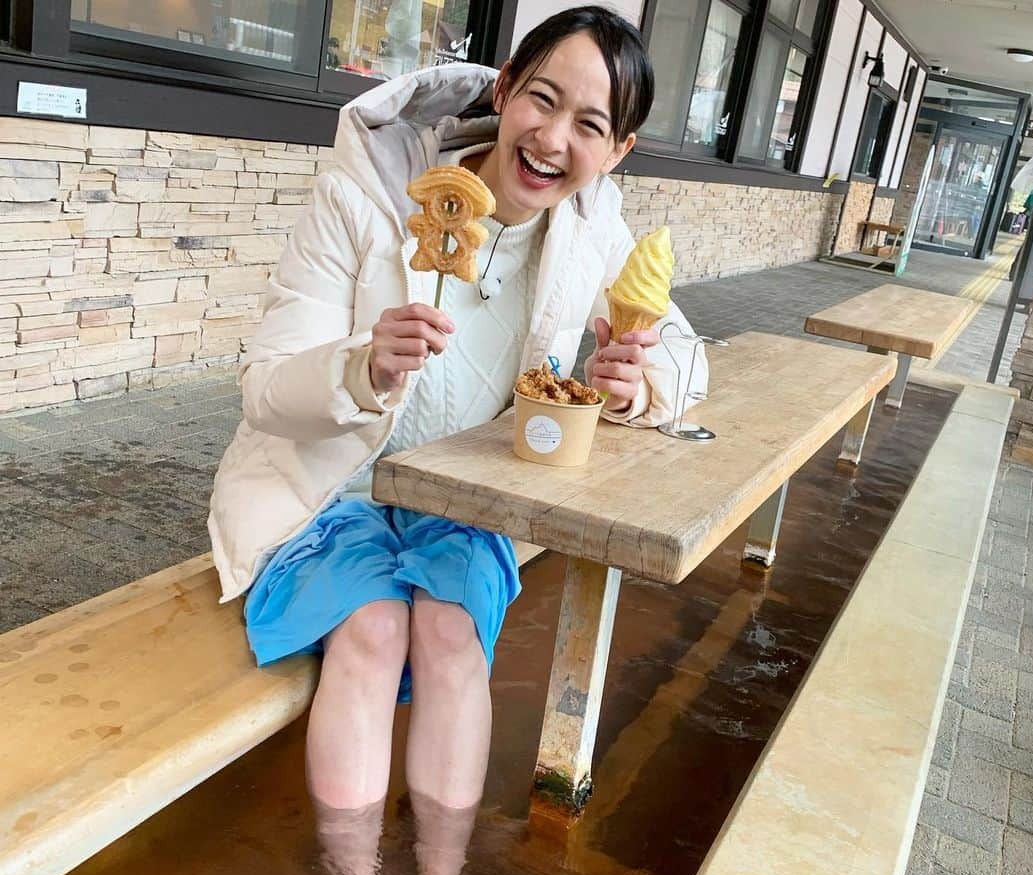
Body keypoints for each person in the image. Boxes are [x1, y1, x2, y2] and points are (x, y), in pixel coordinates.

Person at [209, 6, 705, 818]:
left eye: (589, 125)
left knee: (450, 638)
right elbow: (263, 387)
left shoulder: (592, 230)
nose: (552, 140)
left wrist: (636, 380)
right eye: (541, 100)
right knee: (370, 634)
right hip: (326, 495)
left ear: (618, 152)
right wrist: (360, 365)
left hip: (458, 501)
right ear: (504, 90)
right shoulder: (368, 192)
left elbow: (688, 361)